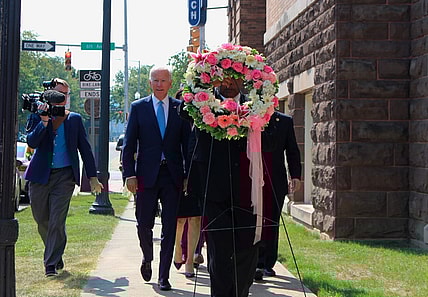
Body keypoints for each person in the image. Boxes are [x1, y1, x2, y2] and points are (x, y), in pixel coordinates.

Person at [180, 77, 264, 297]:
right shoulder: (202, 105)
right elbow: (183, 110)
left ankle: (240, 291)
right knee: (219, 250)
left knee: (247, 248)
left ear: (242, 80)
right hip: (213, 189)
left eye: (233, 79)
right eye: (222, 79)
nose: (227, 84)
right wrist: (200, 78)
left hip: (246, 190)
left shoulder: (255, 107)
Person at [24, 78, 103, 277]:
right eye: (59, 94)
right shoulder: (37, 113)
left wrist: (92, 177)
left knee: (56, 220)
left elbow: (85, 149)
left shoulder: (73, 119)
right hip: (40, 176)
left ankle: (50, 264)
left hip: (65, 176)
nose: (62, 98)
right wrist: (44, 121)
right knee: (41, 219)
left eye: (66, 95)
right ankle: (55, 252)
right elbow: (32, 141)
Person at [122, 66, 190, 291]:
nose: (159, 84)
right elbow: (129, 144)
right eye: (155, 80)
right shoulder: (139, 108)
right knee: (144, 224)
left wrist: (187, 174)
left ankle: (164, 276)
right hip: (145, 176)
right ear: (150, 83)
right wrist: (129, 174)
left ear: (171, 83)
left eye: (163, 80)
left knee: (169, 227)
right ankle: (147, 257)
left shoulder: (181, 109)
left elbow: (187, 145)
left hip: (172, 176)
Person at [254, 111, 302, 281]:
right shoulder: (248, 117)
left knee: (271, 222)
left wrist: (295, 175)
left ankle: (267, 263)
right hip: (250, 179)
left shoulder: (284, 121)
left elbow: (292, 150)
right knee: (252, 221)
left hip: (275, 179)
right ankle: (253, 262)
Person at [172, 89, 202, 278]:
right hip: (177, 173)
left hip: (198, 174)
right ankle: (177, 249)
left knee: (196, 218)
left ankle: (190, 259)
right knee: (180, 219)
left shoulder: (203, 119)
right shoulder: (176, 120)